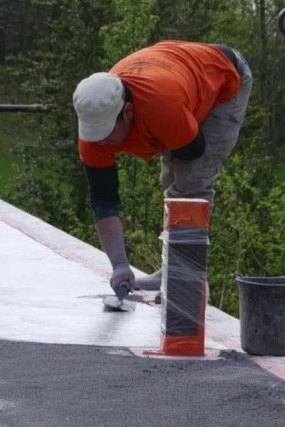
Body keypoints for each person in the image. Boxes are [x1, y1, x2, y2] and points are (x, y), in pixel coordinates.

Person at [73, 40, 252, 293]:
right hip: (174, 82)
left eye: (107, 132)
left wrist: (167, 133)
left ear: (128, 112)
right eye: (94, 134)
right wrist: (120, 266)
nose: (100, 141)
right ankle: (173, 272)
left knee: (191, 184)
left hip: (224, 77)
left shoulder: (161, 106)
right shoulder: (95, 123)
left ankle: (187, 283)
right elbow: (103, 199)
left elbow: (193, 150)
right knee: (172, 186)